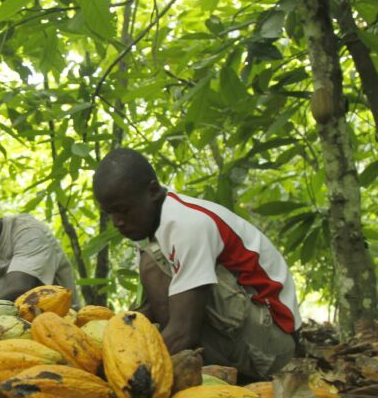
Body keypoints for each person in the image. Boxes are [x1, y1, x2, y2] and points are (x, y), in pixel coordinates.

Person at [93, 148, 300, 380]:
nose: (118, 222)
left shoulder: (186, 225)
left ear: (152, 191)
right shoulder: (155, 229)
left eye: (124, 210)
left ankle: (227, 377)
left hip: (272, 344)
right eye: (110, 213)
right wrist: (114, 336)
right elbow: (154, 309)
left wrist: (129, 375)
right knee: (153, 273)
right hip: (249, 335)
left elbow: (183, 332)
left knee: (155, 269)